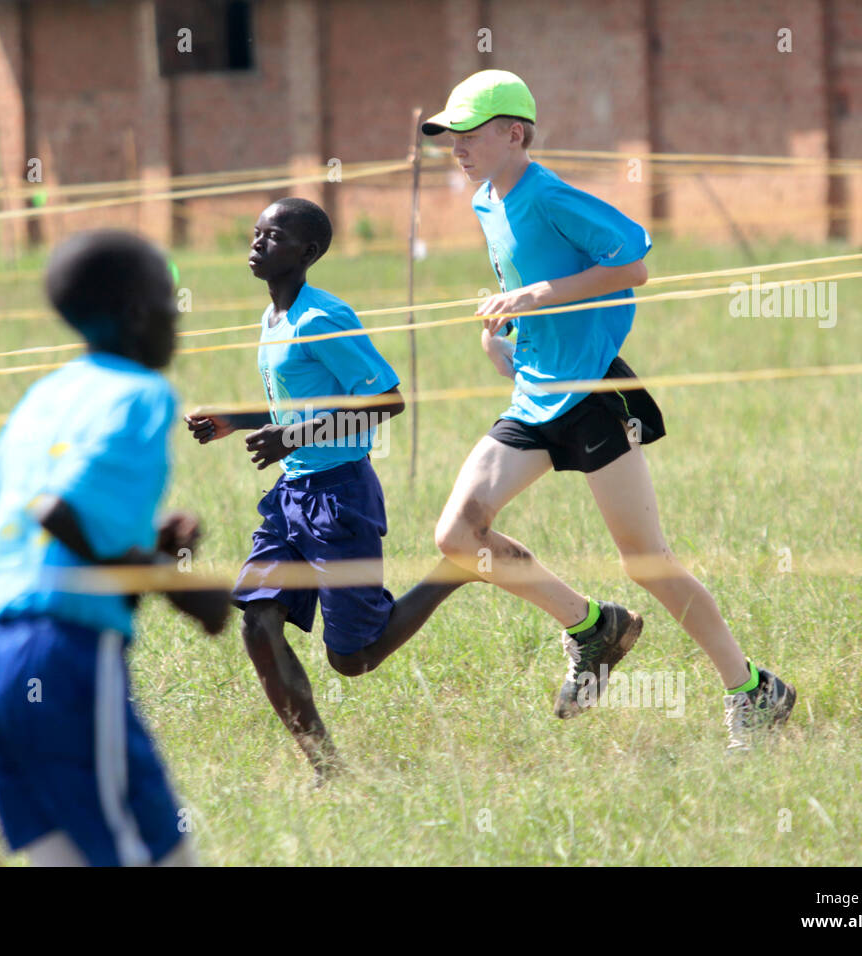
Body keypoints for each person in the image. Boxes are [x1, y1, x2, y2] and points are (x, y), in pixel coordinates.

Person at [421, 70, 795, 751]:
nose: (458, 148)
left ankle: (754, 690)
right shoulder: (485, 203)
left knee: (646, 561)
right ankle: (592, 627)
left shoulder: (551, 195)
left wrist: (540, 294)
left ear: (515, 133)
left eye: (469, 134)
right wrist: (502, 331)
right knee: (457, 535)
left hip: (593, 392)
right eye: (451, 138)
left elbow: (632, 264)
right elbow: (518, 282)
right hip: (533, 395)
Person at [0, 229, 229, 865]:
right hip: (66, 663)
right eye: (169, 298)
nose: (179, 313)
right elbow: (61, 510)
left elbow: (25, 515)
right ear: (136, 313)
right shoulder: (143, 396)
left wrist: (145, 540)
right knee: (153, 855)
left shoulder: (50, 394)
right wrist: (178, 585)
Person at [185, 198, 471, 782]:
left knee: (353, 658)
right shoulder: (273, 319)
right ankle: (327, 768)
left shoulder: (323, 318)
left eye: (276, 235)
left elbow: (385, 399)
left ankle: (458, 568)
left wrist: (295, 436)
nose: (259, 242)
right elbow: (294, 404)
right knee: (257, 620)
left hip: (341, 497)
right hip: (290, 498)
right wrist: (234, 420)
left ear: (308, 253)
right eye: (257, 231)